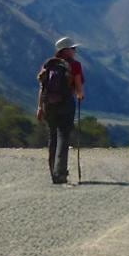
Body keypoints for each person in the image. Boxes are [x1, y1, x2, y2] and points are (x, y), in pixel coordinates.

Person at [36, 36, 85, 184]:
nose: (75, 51)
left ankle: (53, 172)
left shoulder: (49, 64)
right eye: (73, 48)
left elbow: (42, 87)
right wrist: (80, 95)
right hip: (66, 104)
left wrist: (40, 107)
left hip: (48, 104)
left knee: (53, 137)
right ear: (66, 50)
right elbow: (78, 88)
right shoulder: (75, 65)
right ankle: (60, 172)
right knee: (63, 137)